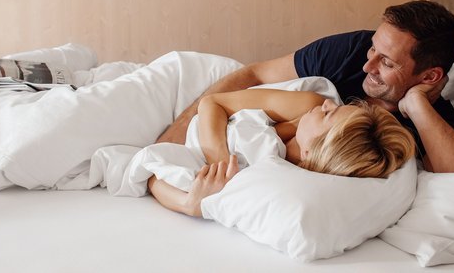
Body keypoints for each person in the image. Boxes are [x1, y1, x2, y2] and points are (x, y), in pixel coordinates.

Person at [157, 0, 454, 174]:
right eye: (373, 48)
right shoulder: (350, 51)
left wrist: (417, 106)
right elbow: (255, 73)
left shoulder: (434, 120)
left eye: (388, 63)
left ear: (430, 77)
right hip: (228, 114)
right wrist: (173, 138)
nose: (368, 65)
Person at [148, 88, 416, 217]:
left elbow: (152, 175)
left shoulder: (275, 176)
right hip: (193, 99)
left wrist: (192, 206)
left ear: (312, 151)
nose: (326, 102)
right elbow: (212, 101)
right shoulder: (306, 105)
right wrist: (219, 160)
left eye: (328, 114)